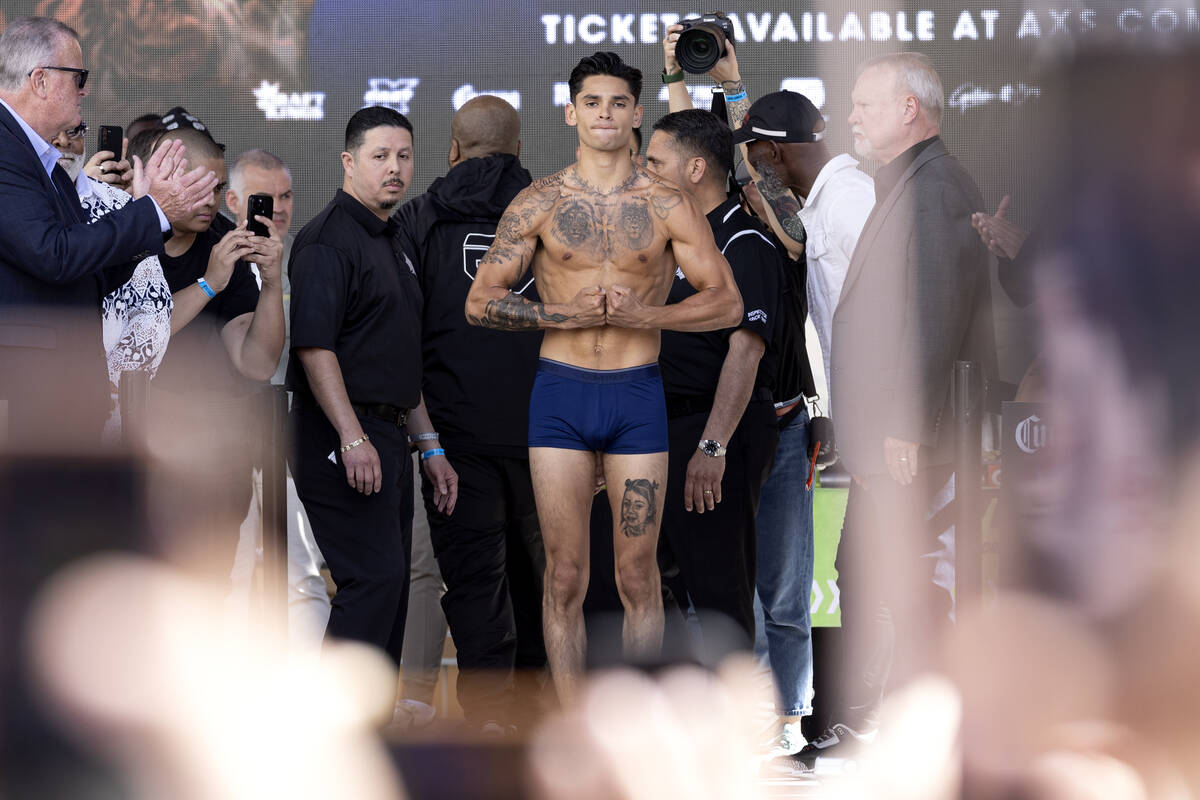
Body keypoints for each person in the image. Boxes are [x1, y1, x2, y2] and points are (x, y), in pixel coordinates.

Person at [464, 51, 742, 703]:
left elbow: (726, 302)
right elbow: (480, 301)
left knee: (637, 574)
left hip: (635, 397)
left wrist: (649, 312)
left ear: (637, 112)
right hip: (560, 396)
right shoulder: (539, 201)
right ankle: (571, 733)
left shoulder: (668, 203)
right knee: (563, 575)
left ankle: (633, 726)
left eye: (618, 102)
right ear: (571, 112)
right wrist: (559, 312)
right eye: (592, 102)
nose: (605, 114)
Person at [795, 53, 995, 764]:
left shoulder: (935, 186)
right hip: (889, 433)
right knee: (873, 572)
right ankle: (879, 722)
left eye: (865, 104)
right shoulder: (908, 181)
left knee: (907, 578)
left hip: (910, 435)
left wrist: (909, 423)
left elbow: (934, 311)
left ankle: (928, 727)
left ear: (909, 108)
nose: (851, 117)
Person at [288, 106, 457, 675]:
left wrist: (429, 447)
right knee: (372, 581)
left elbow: (400, 361)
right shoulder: (325, 242)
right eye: (380, 156)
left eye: (403, 156)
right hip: (340, 435)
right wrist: (352, 436)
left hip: (389, 435)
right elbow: (315, 348)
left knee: (391, 592)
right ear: (348, 162)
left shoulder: (396, 241)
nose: (395, 169)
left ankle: (374, 738)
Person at [396, 95, 547, 732]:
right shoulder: (555, 213)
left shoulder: (419, 220)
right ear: (519, 151)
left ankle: (489, 721)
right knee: (548, 584)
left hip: (454, 443)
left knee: (474, 581)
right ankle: (545, 720)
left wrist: (427, 440)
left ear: (453, 149)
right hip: (550, 436)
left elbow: (398, 337)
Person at [732, 89, 875, 756]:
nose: (752, 163)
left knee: (876, 577)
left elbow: (893, 303)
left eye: (756, 150)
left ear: (774, 150)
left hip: (885, 418)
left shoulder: (849, 200)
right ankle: (827, 720)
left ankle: (861, 719)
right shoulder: (816, 202)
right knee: (854, 572)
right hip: (849, 413)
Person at [0, 16, 216, 445]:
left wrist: (145, 215)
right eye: (79, 77)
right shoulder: (6, 149)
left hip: (60, 399)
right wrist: (152, 211)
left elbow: (88, 274)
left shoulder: (43, 163)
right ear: (40, 80)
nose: (86, 90)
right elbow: (54, 255)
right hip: (29, 398)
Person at [643, 110, 780, 660]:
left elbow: (745, 351)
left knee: (718, 593)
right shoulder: (669, 239)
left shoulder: (745, 243)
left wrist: (713, 445)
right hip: (656, 431)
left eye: (655, 161)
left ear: (695, 168)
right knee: (654, 586)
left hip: (710, 433)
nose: (642, 170)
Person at [140, 115, 286, 572]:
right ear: (165, 178)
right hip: (141, 451)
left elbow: (256, 362)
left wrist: (271, 283)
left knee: (210, 591)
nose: (211, 202)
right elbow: (135, 341)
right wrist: (208, 285)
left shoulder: (223, 240)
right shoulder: (126, 232)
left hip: (217, 452)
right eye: (198, 186)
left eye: (218, 187)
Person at [49, 121, 173, 439]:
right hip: (32, 397)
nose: (64, 142)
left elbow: (153, 309)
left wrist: (106, 379)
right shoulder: (18, 203)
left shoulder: (117, 205)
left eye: (74, 133)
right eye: (53, 134)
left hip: (114, 404)